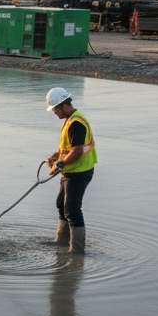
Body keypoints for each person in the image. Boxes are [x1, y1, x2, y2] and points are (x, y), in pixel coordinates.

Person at [44, 87, 97, 253]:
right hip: (71, 171)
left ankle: (77, 251)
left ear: (65, 105)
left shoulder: (76, 123)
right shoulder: (70, 119)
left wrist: (60, 164)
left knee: (72, 210)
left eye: (56, 110)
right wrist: (57, 156)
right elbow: (70, 147)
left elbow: (77, 151)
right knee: (61, 204)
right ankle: (62, 241)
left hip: (79, 172)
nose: (55, 113)